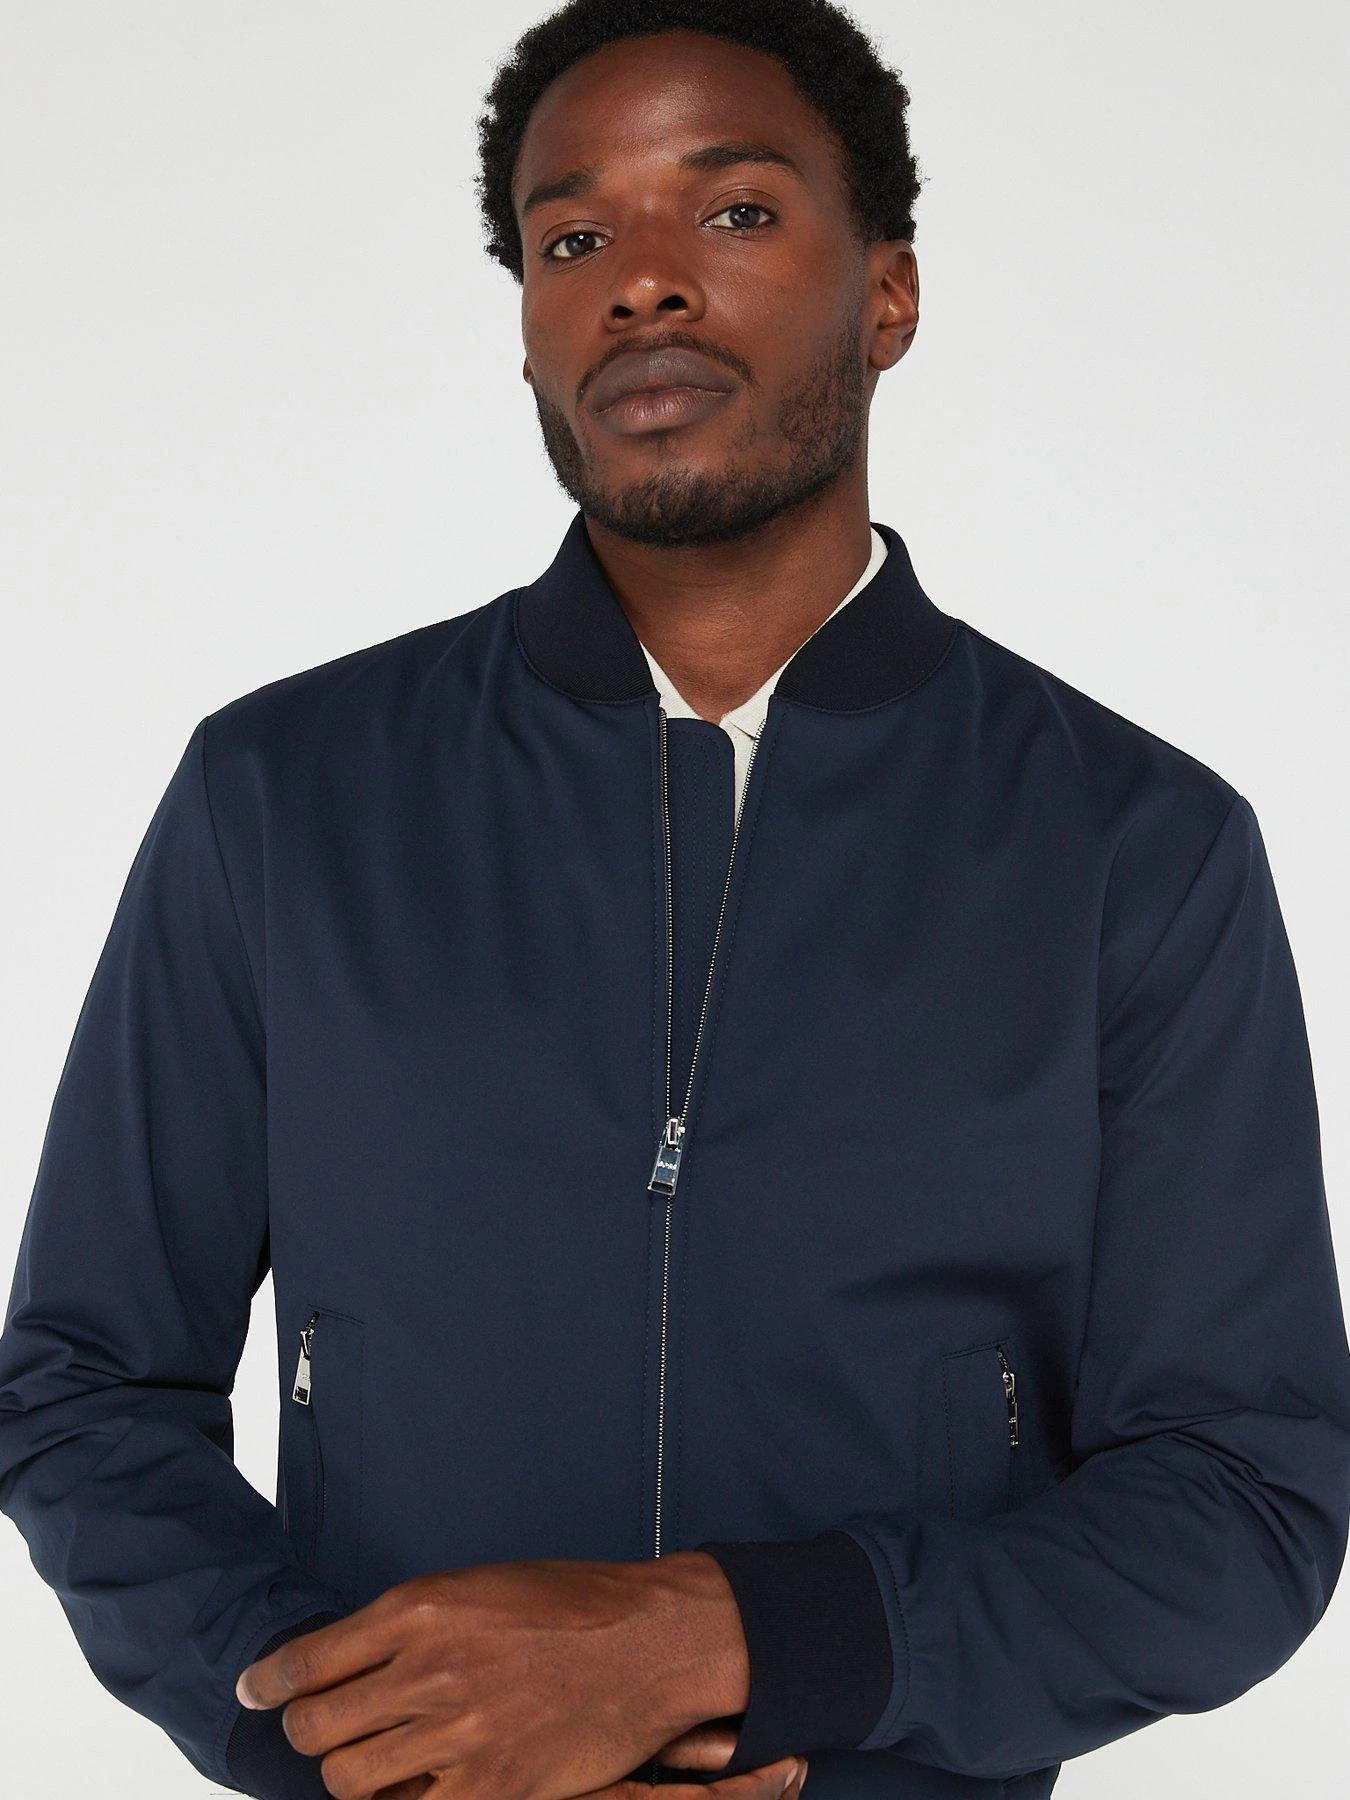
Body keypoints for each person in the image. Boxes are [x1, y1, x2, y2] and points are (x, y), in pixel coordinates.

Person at [3, 3, 1349, 1798]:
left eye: (732, 212)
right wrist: (365, 1740)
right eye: (571, 239)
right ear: (529, 332)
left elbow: (1243, 1498)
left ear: (887, 294)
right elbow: (84, 1384)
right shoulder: (283, 795)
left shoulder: (1136, 845)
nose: (639, 281)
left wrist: (736, 1639)